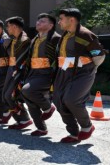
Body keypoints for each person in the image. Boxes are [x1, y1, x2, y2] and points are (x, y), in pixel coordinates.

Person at [53, 8, 105, 143]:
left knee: (72, 100)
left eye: (61, 19)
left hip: (82, 73)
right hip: (64, 72)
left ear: (71, 19)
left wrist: (89, 69)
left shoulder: (85, 34)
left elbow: (99, 56)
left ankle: (87, 126)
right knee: (58, 100)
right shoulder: (65, 34)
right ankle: (73, 133)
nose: (59, 22)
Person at [21, 13, 61, 136]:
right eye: (38, 21)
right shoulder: (35, 38)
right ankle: (41, 128)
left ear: (51, 25)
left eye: (43, 21)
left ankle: (48, 107)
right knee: (28, 99)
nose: (38, 23)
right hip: (33, 71)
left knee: (28, 91)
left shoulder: (56, 38)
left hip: (47, 73)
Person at [2, 16, 32, 129]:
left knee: (10, 95)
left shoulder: (24, 40)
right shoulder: (14, 39)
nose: (7, 29)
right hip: (12, 69)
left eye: (8, 26)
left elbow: (22, 60)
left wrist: (17, 72)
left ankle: (24, 119)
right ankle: (21, 120)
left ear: (14, 26)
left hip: (18, 71)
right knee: (6, 96)